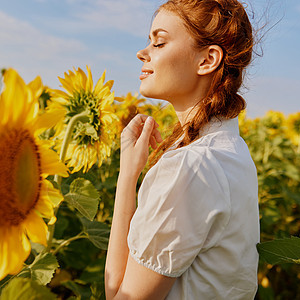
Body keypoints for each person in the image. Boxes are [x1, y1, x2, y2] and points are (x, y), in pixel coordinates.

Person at [105, 0, 260, 299]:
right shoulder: (231, 149)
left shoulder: (191, 167)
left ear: (207, 60)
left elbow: (117, 296)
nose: (143, 52)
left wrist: (127, 177)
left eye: (159, 42)